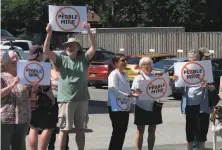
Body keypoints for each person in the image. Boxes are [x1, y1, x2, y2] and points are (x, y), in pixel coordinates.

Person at [43, 22, 96, 150]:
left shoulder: (83, 59)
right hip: (66, 99)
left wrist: (89, 31)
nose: (68, 47)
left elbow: (94, 47)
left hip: (82, 99)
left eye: (71, 45)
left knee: (80, 130)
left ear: (78, 47)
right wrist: (49, 33)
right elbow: (45, 51)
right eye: (67, 46)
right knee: (64, 130)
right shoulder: (61, 59)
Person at [0, 50, 38, 150]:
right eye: (12, 58)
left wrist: (34, 89)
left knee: (19, 147)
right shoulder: (1, 77)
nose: (15, 59)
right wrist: (13, 84)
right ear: (5, 61)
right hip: (5, 119)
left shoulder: (25, 76)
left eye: (16, 57)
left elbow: (31, 96)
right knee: (3, 146)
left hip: (23, 119)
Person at [180, 49, 215, 150]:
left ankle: (201, 148)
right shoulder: (184, 69)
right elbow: (177, 87)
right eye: (190, 59)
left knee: (202, 131)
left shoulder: (206, 70)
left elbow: (213, 88)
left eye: (194, 59)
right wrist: (175, 80)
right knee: (190, 131)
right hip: (189, 105)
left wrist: (207, 86)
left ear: (199, 60)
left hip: (202, 106)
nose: (192, 61)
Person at [28, 45, 58, 150]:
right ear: (39, 54)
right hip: (44, 101)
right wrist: (53, 100)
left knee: (33, 127)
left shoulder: (26, 66)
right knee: (49, 127)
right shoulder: (42, 67)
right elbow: (46, 87)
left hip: (31, 101)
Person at [108, 54, 140, 150]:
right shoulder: (113, 74)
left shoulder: (125, 74)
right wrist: (128, 95)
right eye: (122, 60)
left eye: (126, 60)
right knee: (117, 131)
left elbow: (127, 90)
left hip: (124, 105)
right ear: (115, 63)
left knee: (122, 130)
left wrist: (133, 93)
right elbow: (112, 89)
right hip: (115, 106)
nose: (125, 62)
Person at [131, 57, 162, 150]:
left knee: (152, 131)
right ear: (141, 66)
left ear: (151, 66)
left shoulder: (156, 77)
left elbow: (162, 90)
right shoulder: (137, 78)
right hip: (141, 106)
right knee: (140, 131)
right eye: (143, 65)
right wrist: (135, 92)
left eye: (148, 64)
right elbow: (133, 91)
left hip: (153, 106)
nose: (146, 66)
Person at [48, 60, 69, 150]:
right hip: (52, 101)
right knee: (51, 126)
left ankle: (65, 147)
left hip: (64, 101)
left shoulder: (66, 73)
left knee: (64, 126)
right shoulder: (48, 72)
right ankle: (51, 146)